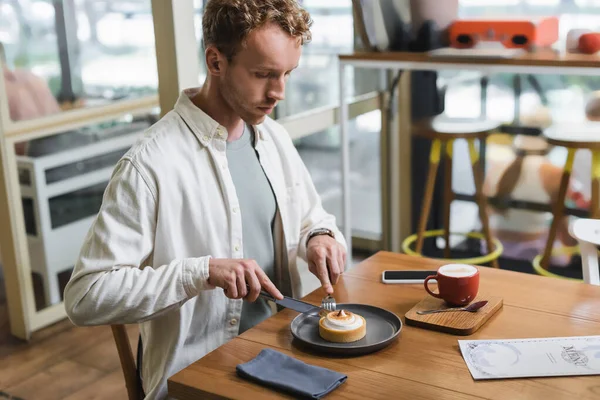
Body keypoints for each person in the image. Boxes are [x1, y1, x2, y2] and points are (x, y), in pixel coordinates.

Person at [63, 1, 347, 398]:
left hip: (287, 351)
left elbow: (313, 217)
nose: (279, 92)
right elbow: (85, 296)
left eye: (287, 74)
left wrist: (320, 236)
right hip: (200, 376)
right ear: (216, 61)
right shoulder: (149, 165)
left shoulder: (272, 138)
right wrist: (201, 273)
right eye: (263, 74)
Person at [483, 134, 587, 266]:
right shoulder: (554, 172)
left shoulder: (496, 167)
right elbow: (562, 226)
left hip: (492, 247)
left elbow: (486, 214)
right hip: (532, 253)